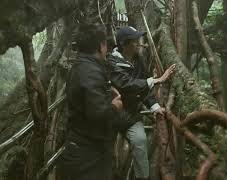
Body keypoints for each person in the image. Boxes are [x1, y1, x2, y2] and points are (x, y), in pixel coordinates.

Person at [59, 23, 132, 180]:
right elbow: (98, 115)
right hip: (88, 155)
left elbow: (88, 100)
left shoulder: (81, 67)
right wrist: (115, 106)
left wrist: (106, 93)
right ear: (101, 46)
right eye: (105, 44)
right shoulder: (91, 72)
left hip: (82, 148)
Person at [107, 26, 176, 180]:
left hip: (131, 115)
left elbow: (144, 88)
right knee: (105, 151)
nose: (139, 43)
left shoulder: (139, 59)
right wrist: (156, 80)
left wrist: (155, 107)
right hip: (110, 115)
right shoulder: (111, 61)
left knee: (140, 141)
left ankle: (142, 177)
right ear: (124, 44)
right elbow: (126, 83)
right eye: (135, 41)